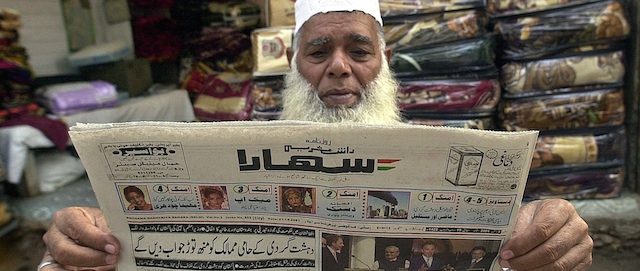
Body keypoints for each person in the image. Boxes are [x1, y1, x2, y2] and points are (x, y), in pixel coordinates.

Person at [38, 0, 593, 270]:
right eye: (319, 52)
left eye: (358, 50)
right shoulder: (229, 155)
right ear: (293, 65)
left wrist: (551, 236)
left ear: (386, 63)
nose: (339, 68)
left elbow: (517, 246)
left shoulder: (448, 159)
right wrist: (81, 244)